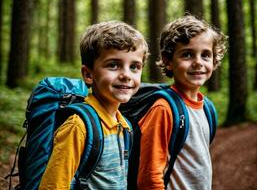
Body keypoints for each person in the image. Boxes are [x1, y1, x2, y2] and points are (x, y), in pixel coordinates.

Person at [39, 21, 149, 190]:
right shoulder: (78, 126)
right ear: (88, 74)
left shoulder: (124, 125)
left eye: (134, 67)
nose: (126, 75)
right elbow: (53, 186)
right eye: (113, 65)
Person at [137, 15, 227, 190]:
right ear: (168, 61)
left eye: (206, 55)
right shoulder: (163, 109)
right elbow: (149, 176)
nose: (198, 62)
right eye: (187, 54)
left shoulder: (207, 108)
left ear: (214, 61)